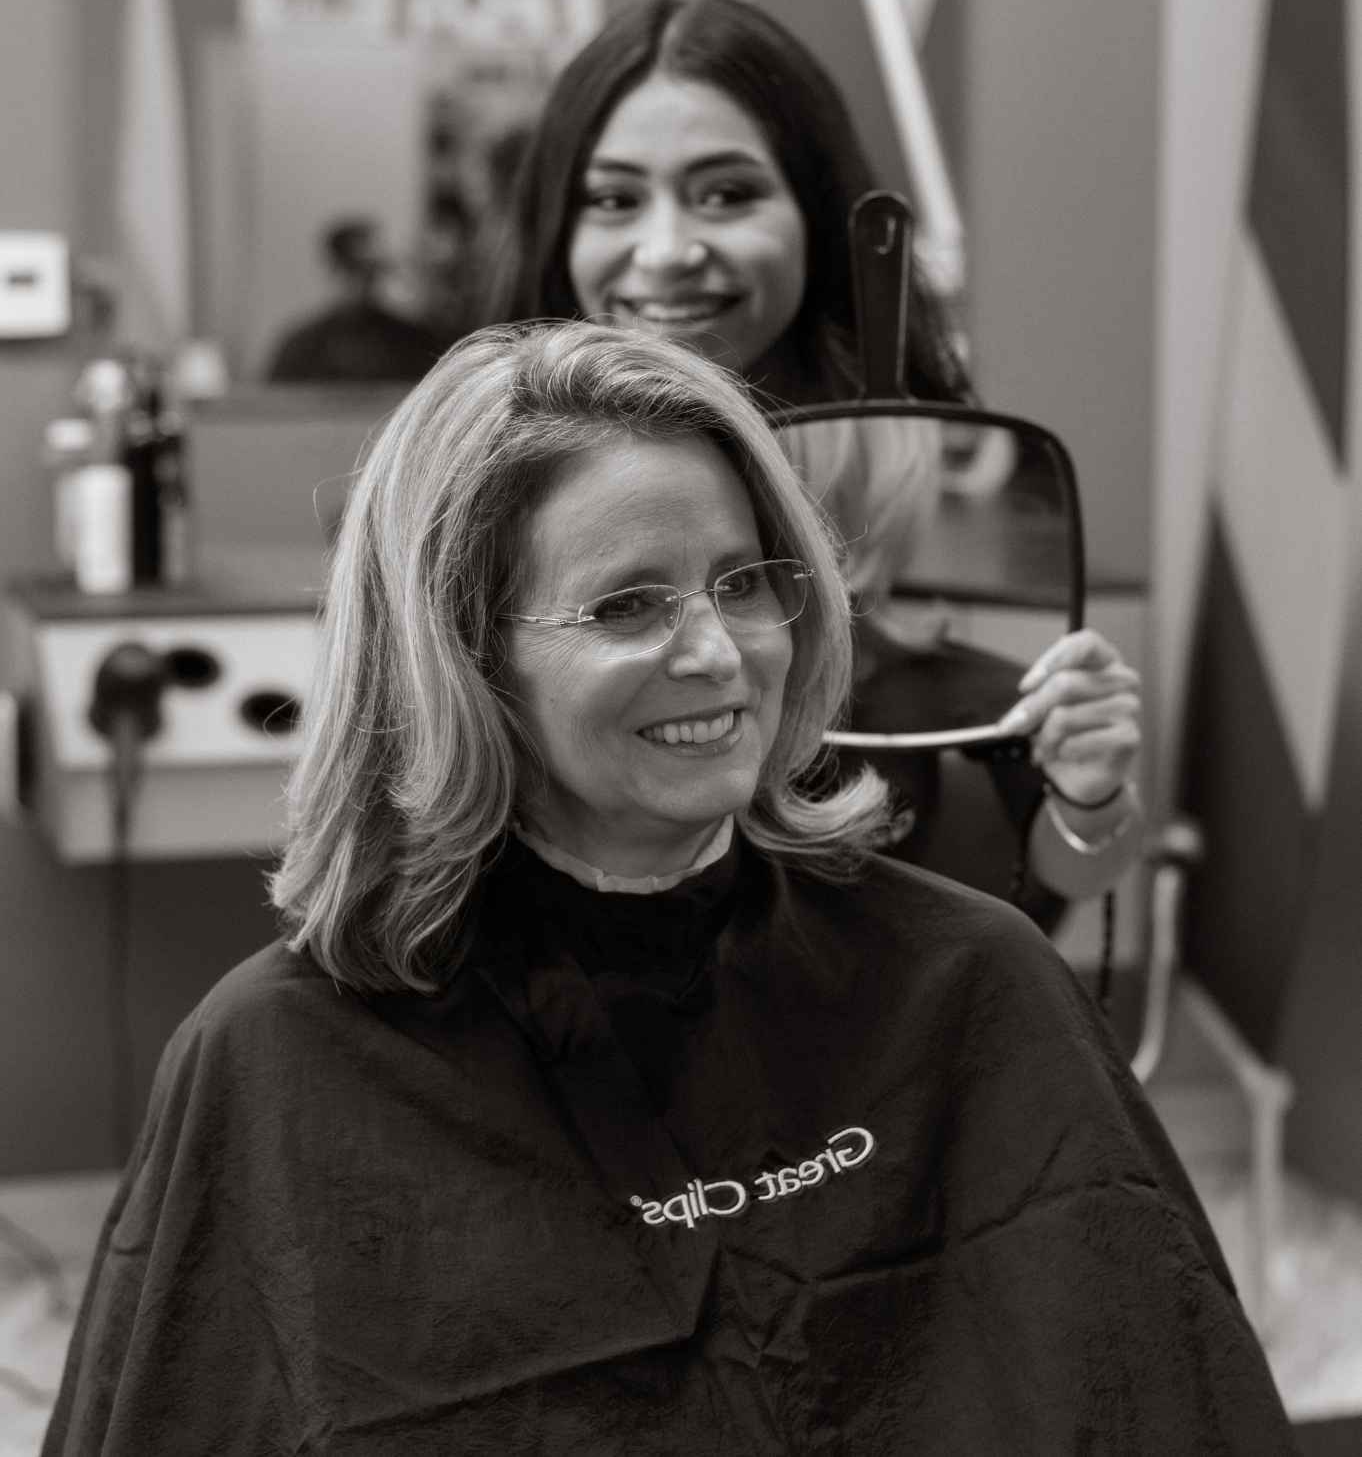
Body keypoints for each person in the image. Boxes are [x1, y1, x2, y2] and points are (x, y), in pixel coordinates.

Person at [44, 322, 1292, 1453]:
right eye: (628, 605)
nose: (716, 653)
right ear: (463, 660)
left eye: (744, 583)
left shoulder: (969, 980)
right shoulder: (274, 1063)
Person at [486, 0, 1143, 934]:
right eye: (614, 199)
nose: (666, 250)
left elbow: (1053, 888)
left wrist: (1090, 803)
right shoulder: (473, 500)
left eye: (727, 192)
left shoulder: (906, 580)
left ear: (816, 220)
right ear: (559, 231)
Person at [264, 216, 445, 385]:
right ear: (335, 268)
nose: (362, 282)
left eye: (371, 270)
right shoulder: (303, 347)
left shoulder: (412, 341)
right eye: (354, 269)